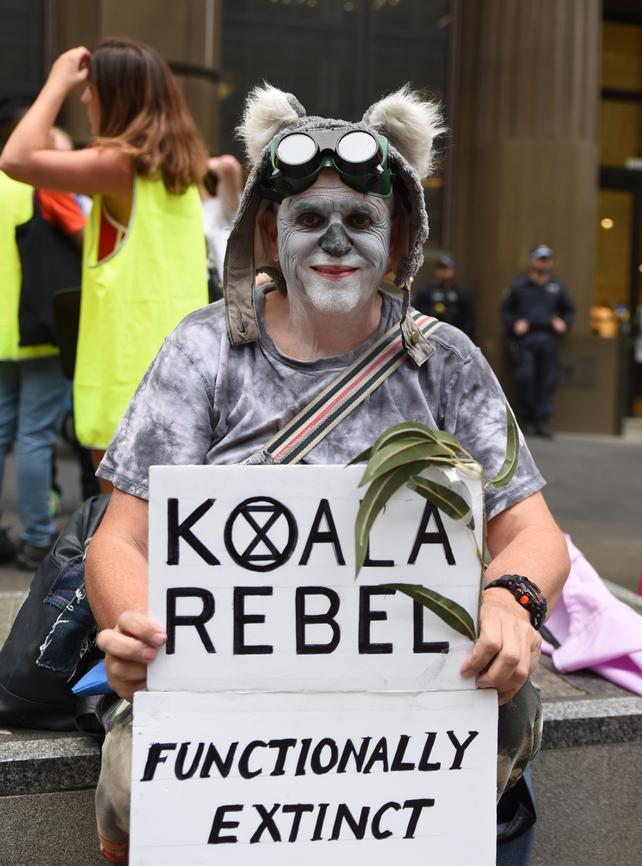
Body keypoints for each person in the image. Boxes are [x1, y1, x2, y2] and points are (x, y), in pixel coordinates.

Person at [83, 85, 569, 863]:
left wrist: (511, 600)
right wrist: (133, 626)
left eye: (361, 220)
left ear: (399, 232)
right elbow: (122, 536)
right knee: (139, 784)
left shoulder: (445, 361)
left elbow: (533, 529)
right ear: (271, 231)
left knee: (493, 740)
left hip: (413, 685)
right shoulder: (203, 351)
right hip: (224, 683)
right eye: (311, 219)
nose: (335, 241)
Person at [0, 39, 209, 487]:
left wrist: (56, 81)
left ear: (116, 95)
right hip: (181, 370)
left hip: (123, 380)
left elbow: (15, 158)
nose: (84, 97)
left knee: (120, 532)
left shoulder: (119, 166)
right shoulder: (182, 172)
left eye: (91, 88)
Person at [0, 102, 84, 569]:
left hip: (2, 333)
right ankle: (37, 538)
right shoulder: (42, 184)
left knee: (2, 433)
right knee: (34, 435)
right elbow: (85, 237)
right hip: (40, 326)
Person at [500, 245, 575, 438]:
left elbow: (569, 310)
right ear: (532, 261)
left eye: (547, 259)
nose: (544, 263)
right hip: (526, 339)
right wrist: (514, 323)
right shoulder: (519, 285)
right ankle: (527, 420)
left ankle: (543, 421)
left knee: (547, 380)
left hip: (548, 338)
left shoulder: (557, 286)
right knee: (525, 379)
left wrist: (563, 322)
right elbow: (506, 310)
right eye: (540, 259)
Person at [201, 153, 243, 292]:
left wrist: (203, 164)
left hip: (225, 290)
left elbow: (228, 165)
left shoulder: (225, 207)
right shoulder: (193, 207)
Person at [413, 254, 475, 338]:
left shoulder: (460, 295)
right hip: (430, 336)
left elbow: (469, 320)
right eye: (441, 269)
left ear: (452, 271)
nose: (443, 272)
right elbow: (415, 313)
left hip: (454, 338)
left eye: (446, 269)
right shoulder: (425, 293)